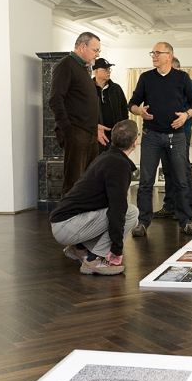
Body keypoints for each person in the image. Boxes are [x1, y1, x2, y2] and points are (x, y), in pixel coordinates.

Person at [49, 120, 140, 276]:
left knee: (126, 217)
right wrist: (116, 248)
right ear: (135, 143)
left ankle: (79, 248)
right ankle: (94, 260)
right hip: (67, 226)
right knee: (131, 213)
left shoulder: (106, 157)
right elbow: (118, 210)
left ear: (112, 139)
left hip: (62, 222)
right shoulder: (119, 165)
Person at [128, 42, 192, 237]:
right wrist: (139, 111)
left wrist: (186, 115)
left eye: (157, 53)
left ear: (169, 56)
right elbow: (132, 103)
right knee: (145, 182)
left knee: (181, 180)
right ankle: (143, 223)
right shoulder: (145, 78)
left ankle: (185, 221)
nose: (153, 55)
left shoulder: (183, 78)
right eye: (152, 52)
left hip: (176, 137)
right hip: (151, 136)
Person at [49, 31, 106, 198]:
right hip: (76, 132)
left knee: (89, 182)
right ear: (82, 46)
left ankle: (85, 214)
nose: (97, 54)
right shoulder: (66, 65)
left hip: (88, 132)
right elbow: (55, 99)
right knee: (73, 182)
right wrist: (68, 129)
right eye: (95, 50)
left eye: (98, 51)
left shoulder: (82, 68)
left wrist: (94, 125)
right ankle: (66, 214)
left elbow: (80, 102)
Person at [153, 57, 192, 220]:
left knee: (183, 170)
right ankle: (169, 207)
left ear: (174, 67)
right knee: (168, 170)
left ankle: (188, 209)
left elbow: (190, 106)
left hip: (181, 132)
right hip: (162, 132)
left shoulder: (189, 83)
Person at [92, 57, 129, 154]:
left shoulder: (116, 89)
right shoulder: (88, 89)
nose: (108, 72)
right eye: (105, 69)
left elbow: (124, 110)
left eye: (109, 69)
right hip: (95, 138)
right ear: (96, 71)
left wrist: (122, 130)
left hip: (115, 138)